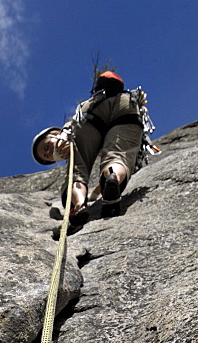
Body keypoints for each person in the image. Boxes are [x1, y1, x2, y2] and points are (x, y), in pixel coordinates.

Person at [32, 71, 154, 229]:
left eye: (47, 147)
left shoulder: (66, 134)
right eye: (48, 157)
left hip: (91, 117)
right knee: (119, 154)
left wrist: (65, 135)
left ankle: (78, 206)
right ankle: (113, 177)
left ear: (55, 134)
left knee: (77, 171)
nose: (49, 153)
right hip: (127, 106)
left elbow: (74, 129)